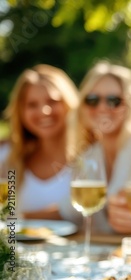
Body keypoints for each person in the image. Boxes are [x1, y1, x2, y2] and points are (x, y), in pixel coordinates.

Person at [59, 60, 131, 234]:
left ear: (129, 104)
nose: (102, 108)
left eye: (113, 100)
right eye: (92, 100)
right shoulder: (89, 155)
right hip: (103, 255)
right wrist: (15, 217)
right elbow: (69, 211)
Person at [0, 64, 79, 220]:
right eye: (32, 105)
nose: (44, 111)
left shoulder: (91, 154)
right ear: (21, 112)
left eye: (53, 101)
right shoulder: (7, 155)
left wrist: (22, 218)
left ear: (68, 103)